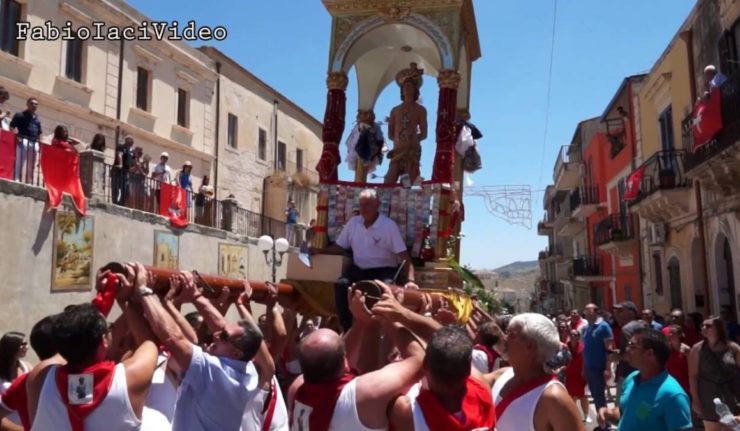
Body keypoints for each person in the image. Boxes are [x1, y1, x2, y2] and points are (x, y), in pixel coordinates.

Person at [129, 263, 276, 430]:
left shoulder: (214, 373)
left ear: (236, 353)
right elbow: (221, 326)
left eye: (224, 337)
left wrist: (144, 291)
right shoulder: (246, 370)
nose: (216, 335)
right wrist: (195, 295)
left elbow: (173, 338)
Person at [287, 282, 425, 430]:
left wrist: (360, 322)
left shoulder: (296, 388)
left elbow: (335, 355)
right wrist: (393, 317)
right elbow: (419, 359)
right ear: (345, 363)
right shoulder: (363, 394)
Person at [27, 301, 159, 431]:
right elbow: (149, 342)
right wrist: (129, 301)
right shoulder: (129, 378)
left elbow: (71, 344)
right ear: (104, 341)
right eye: (109, 328)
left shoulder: (41, 378)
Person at [314, 188, 418, 331]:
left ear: (377, 205)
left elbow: (404, 256)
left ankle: (382, 327)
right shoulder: (353, 223)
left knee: (386, 288)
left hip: (384, 270)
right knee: (341, 284)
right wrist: (320, 251)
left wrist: (411, 280)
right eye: (362, 205)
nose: (363, 209)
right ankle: (346, 326)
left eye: (368, 204)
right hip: (359, 269)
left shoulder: (389, 226)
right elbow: (339, 247)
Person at [389, 326, 496, 430]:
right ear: (468, 369)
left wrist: (389, 321)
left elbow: (375, 373)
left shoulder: (407, 413)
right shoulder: (483, 391)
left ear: (425, 363)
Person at [489, 313, 584, 430]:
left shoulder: (554, 399)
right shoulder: (502, 375)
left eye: (510, 334)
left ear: (529, 346)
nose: (503, 338)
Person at [598, 328, 692, 430]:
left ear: (650, 354)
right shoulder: (631, 379)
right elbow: (627, 414)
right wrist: (609, 413)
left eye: (632, 346)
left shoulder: (673, 395)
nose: (627, 349)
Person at [689, 316, 740, 431]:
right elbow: (693, 376)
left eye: (708, 326)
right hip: (708, 396)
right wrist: (696, 401)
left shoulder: (732, 347)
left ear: (718, 328)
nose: (704, 328)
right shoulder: (697, 349)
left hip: (731, 395)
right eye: (702, 325)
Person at [385, 63, 427, 185]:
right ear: (402, 91)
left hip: (412, 153)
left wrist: (413, 138)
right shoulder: (395, 110)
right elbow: (390, 134)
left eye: (410, 87)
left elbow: (424, 134)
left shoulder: (420, 110)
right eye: (405, 87)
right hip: (397, 152)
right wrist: (400, 138)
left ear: (415, 90)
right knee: (389, 181)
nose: (407, 89)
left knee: (409, 184)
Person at [582, 303, 615, 418]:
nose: (587, 314)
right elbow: (585, 349)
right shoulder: (586, 328)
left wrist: (607, 368)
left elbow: (609, 349)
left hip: (599, 368)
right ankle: (601, 421)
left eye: (589, 312)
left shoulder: (604, 327)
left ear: (596, 312)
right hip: (590, 368)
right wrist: (584, 368)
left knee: (600, 396)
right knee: (595, 396)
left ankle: (604, 423)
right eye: (585, 312)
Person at [613, 301, 646, 399]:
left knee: (621, 408)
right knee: (642, 406)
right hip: (643, 373)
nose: (617, 313)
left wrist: (617, 357)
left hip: (628, 375)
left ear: (631, 313)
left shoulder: (626, 329)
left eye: (621, 310)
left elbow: (631, 355)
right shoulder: (643, 325)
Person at [10, 97, 42, 183]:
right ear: (27, 104)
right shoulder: (20, 115)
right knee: (19, 160)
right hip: (22, 140)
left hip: (34, 142)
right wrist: (15, 136)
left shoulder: (37, 119)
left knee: (31, 164)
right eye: (32, 103)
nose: (34, 105)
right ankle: (16, 178)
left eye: (36, 104)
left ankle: (29, 181)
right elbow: (12, 126)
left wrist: (39, 143)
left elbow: (39, 132)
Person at [564, 328, 590, 423]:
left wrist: (586, 372)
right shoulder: (565, 347)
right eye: (571, 334)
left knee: (584, 396)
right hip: (569, 376)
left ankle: (586, 415)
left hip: (581, 376)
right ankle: (573, 416)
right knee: (571, 398)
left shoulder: (583, 347)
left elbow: (586, 361)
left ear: (579, 337)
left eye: (575, 335)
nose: (573, 336)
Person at [665, 324, 690, 397]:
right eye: (669, 333)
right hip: (669, 382)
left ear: (679, 335)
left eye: (673, 333)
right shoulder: (666, 349)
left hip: (683, 383)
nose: (670, 335)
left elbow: (691, 369)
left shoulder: (686, 349)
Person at [112, 135, 135, 206]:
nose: (131, 142)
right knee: (116, 187)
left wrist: (132, 169)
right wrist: (120, 164)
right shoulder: (121, 147)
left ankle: (121, 203)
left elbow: (133, 162)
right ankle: (115, 202)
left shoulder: (131, 152)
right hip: (118, 171)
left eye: (132, 141)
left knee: (125, 190)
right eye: (130, 140)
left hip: (126, 173)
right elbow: (119, 155)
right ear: (126, 140)